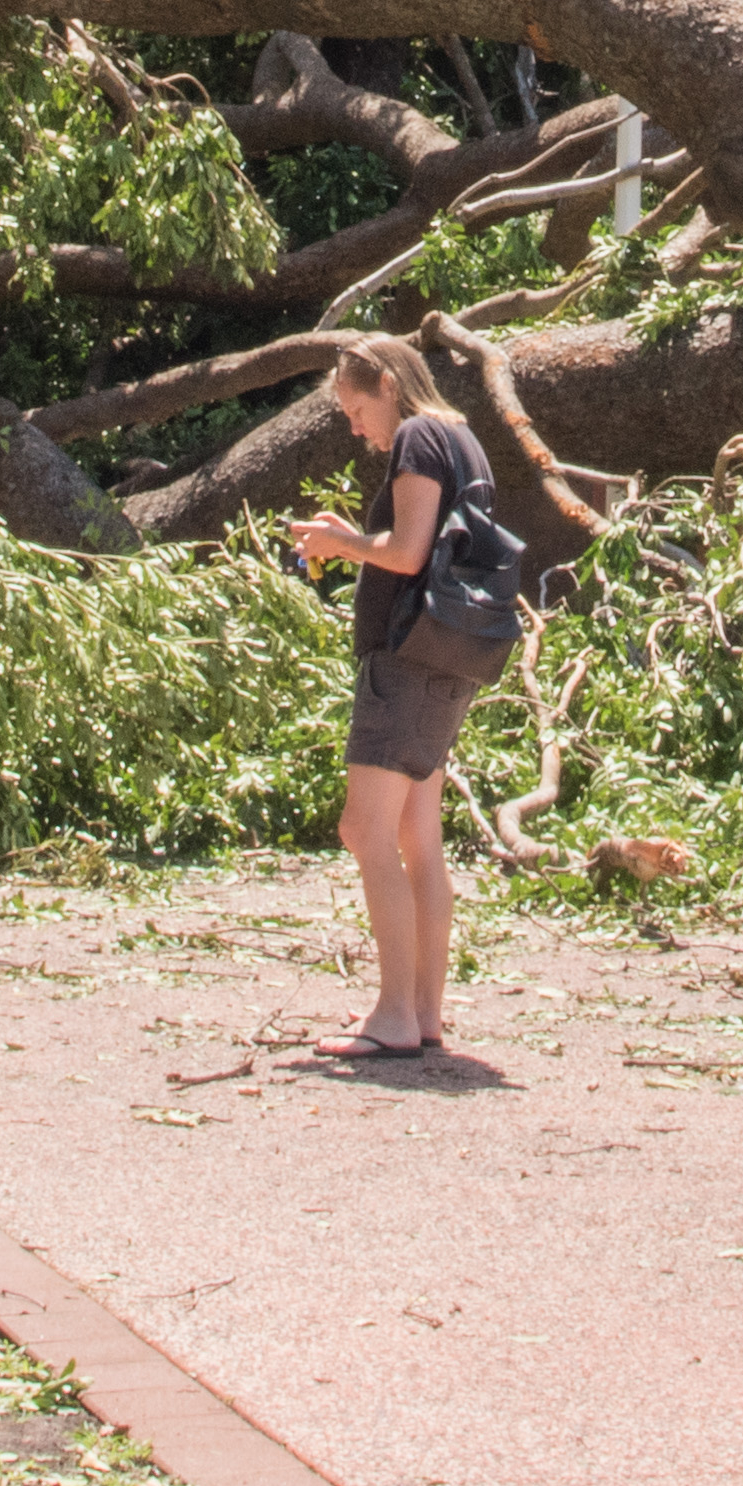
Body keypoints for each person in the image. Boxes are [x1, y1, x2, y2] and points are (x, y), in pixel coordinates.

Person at [278, 334, 506, 1061]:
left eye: (354, 408)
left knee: (364, 831)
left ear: (385, 382)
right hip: (452, 659)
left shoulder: (416, 434)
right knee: (419, 839)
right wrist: (352, 539)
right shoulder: (463, 437)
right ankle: (424, 1013)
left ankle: (395, 1016)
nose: (355, 428)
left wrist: (345, 545)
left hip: (406, 659)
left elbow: (407, 554)